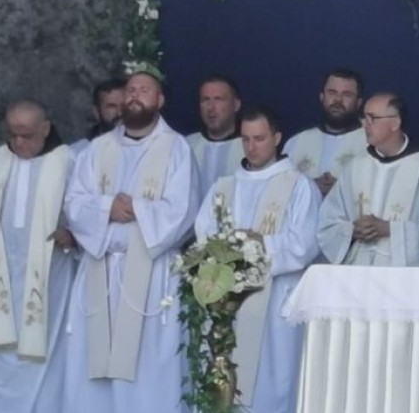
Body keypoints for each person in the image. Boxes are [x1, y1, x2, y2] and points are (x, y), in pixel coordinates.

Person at [62, 71, 198, 412]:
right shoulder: (98, 149)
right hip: (101, 271)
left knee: (148, 366)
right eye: (131, 89)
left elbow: (183, 210)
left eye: (145, 89)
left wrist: (136, 207)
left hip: (152, 277)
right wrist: (107, 207)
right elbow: (74, 203)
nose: (136, 94)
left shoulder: (177, 149)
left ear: (160, 100)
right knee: (92, 363)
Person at [195, 105, 319, 413]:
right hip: (228, 300)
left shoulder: (298, 185)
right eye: (246, 139)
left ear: (277, 138)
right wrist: (228, 250)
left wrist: (260, 243)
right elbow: (203, 233)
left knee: (271, 381)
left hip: (274, 302)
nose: (252, 147)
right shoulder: (224, 185)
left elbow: (304, 244)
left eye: (260, 138)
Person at [0, 100, 76, 412]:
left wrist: (72, 233)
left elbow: (87, 211)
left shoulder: (68, 162)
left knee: (43, 356)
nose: (18, 142)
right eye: (13, 134)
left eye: (26, 135)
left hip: (48, 281)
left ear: (45, 128)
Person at [318, 92, 419, 266]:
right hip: (357, 271)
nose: (365, 125)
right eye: (364, 118)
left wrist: (390, 229)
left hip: (399, 275)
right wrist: (351, 230)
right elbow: (328, 223)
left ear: (395, 123)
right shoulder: (356, 165)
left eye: (372, 118)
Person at [284, 69, 369, 198]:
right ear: (322, 97)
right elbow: (278, 190)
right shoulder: (296, 143)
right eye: (332, 93)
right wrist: (311, 186)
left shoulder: (370, 143)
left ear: (358, 103)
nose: (338, 100)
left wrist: (341, 189)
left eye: (346, 95)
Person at [185, 74, 244, 199]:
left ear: (236, 105)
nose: (211, 108)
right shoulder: (187, 145)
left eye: (219, 99)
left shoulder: (249, 147)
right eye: (205, 100)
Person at [70, 78, 125, 154]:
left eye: (124, 105)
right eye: (112, 107)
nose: (120, 113)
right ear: (96, 112)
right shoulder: (78, 154)